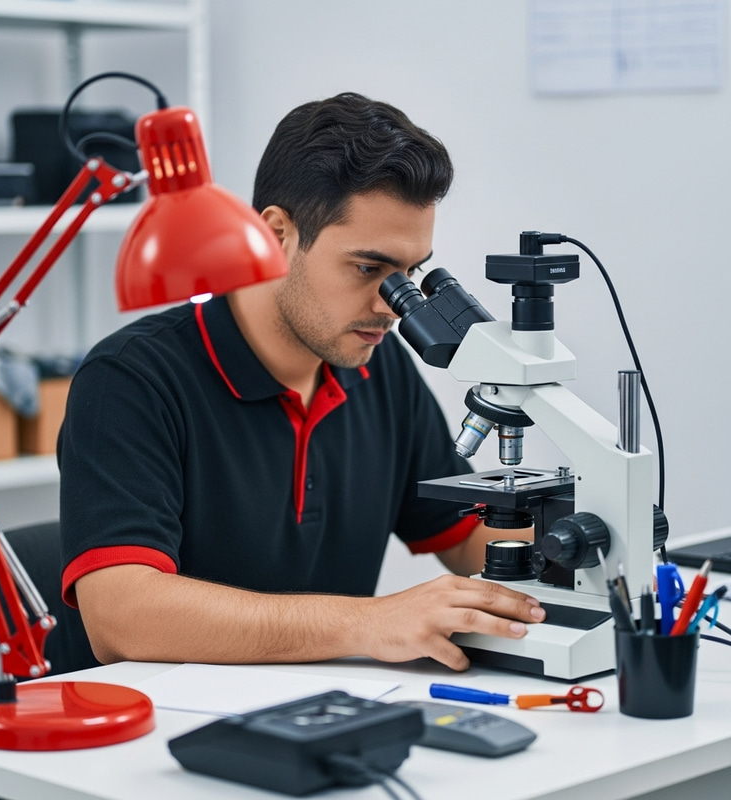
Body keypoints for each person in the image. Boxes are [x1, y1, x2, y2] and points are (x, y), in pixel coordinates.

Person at [58, 92, 544, 673]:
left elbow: (464, 538)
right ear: (276, 234)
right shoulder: (132, 379)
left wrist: (595, 537)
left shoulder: (380, 365)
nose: (392, 307)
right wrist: (368, 622)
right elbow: (121, 619)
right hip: (163, 720)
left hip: (327, 709)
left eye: (409, 273)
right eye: (368, 268)